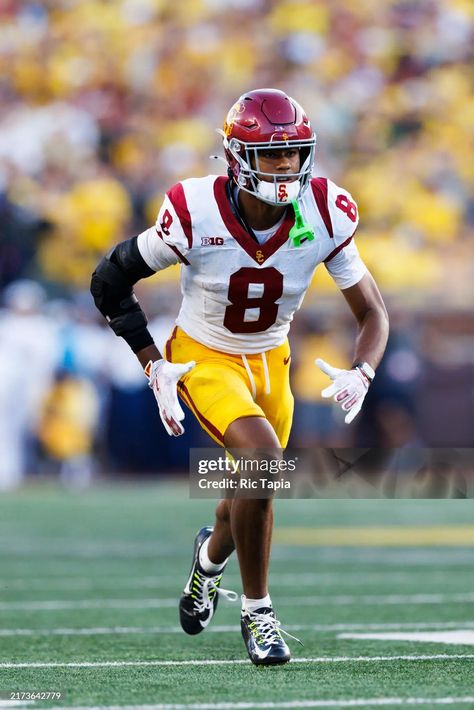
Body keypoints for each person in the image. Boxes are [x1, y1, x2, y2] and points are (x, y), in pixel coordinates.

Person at [90, 88, 389, 665]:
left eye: (294, 153)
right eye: (271, 155)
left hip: (272, 363)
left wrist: (366, 370)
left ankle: (207, 561)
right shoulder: (194, 211)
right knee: (261, 463)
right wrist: (154, 362)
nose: (285, 166)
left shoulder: (326, 210)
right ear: (236, 156)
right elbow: (108, 281)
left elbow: (372, 312)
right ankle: (259, 613)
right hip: (204, 356)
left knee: (244, 497)